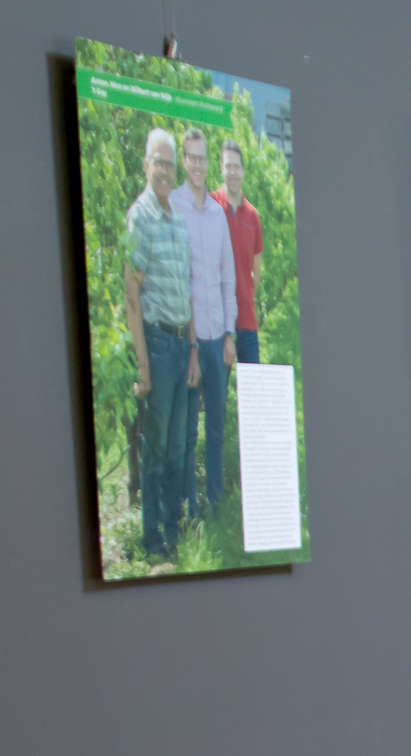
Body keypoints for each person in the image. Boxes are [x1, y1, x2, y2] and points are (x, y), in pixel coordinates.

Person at [123, 128, 198, 558]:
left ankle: (173, 531)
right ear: (146, 165)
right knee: (154, 451)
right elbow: (131, 294)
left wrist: (191, 351)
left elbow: (185, 292)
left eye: (171, 163)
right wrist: (144, 367)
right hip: (155, 343)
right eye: (160, 161)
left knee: (175, 448)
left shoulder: (178, 221)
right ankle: (153, 540)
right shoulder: (142, 216)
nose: (166, 170)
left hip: (179, 347)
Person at [170, 128, 238, 516]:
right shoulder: (175, 207)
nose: (198, 164)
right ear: (184, 160)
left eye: (203, 158)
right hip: (189, 341)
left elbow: (228, 277)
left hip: (217, 339)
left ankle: (213, 503)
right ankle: (188, 505)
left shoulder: (217, 214)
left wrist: (229, 333)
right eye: (192, 157)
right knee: (188, 431)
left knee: (215, 429)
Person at [211, 139, 264, 365]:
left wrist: (245, 294)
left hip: (247, 321)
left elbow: (256, 270)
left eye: (236, 167)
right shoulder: (211, 206)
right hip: (218, 322)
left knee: (253, 395)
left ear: (242, 170)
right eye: (228, 166)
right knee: (218, 394)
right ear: (222, 168)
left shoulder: (253, 215)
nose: (232, 172)